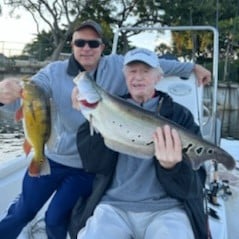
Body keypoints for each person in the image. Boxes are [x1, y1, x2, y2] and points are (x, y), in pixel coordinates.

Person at [0, 19, 210, 239]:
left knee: (55, 218)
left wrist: (192, 67)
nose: (86, 49)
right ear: (71, 45)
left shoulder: (117, 66)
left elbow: (155, 66)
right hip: (54, 156)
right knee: (22, 211)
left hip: (87, 166)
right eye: (80, 43)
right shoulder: (52, 72)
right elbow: (28, 98)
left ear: (102, 47)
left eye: (93, 43)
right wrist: (5, 93)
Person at [73, 48, 208, 239]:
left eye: (146, 71)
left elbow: (193, 186)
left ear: (159, 77)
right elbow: (93, 165)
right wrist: (91, 119)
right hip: (113, 206)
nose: (138, 77)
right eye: (132, 71)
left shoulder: (180, 117)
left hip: (167, 209)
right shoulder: (107, 108)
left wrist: (172, 168)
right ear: (124, 76)